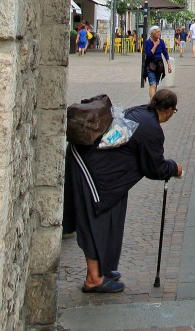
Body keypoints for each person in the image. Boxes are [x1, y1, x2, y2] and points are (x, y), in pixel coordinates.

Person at [63, 88, 182, 293]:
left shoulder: (141, 112)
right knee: (95, 220)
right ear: (170, 110)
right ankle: (93, 278)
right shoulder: (152, 128)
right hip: (91, 170)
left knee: (110, 220)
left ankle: (104, 268)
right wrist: (174, 168)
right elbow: (154, 168)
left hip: (100, 171)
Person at [144, 25, 172, 99]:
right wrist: (155, 45)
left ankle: (153, 100)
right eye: (158, 32)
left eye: (160, 32)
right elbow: (149, 55)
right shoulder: (148, 42)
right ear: (153, 33)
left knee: (155, 84)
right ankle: (152, 104)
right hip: (151, 65)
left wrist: (169, 65)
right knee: (152, 84)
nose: (160, 33)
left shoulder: (162, 42)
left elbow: (165, 53)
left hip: (159, 65)